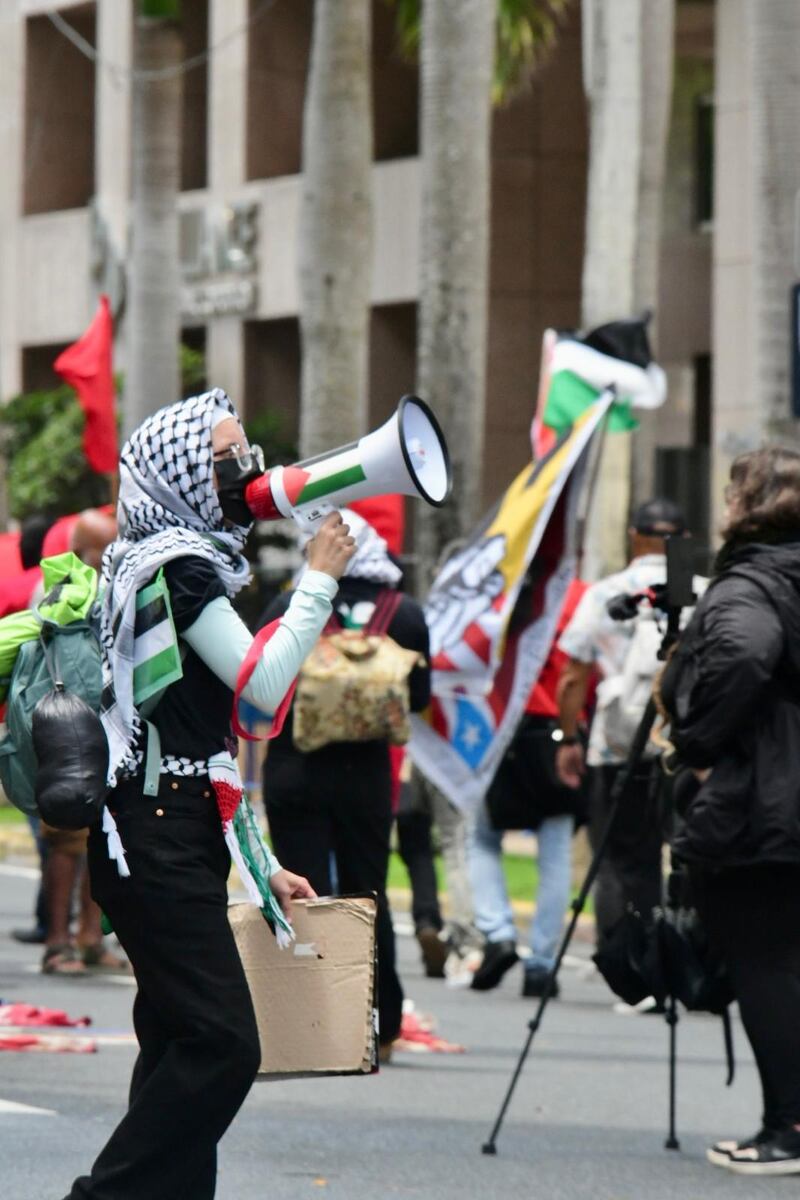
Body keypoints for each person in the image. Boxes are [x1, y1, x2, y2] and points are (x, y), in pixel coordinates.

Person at [62, 390, 355, 1200]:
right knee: (223, 1045)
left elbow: (201, 752)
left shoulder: (163, 563)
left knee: (175, 1042)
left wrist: (261, 868)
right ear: (182, 472)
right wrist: (318, 581)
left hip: (162, 832)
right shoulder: (178, 568)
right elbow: (259, 683)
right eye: (225, 457)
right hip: (152, 839)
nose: (244, 471)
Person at [662, 448, 800, 1176]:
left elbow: (745, 653)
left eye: (729, 492)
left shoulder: (751, 581)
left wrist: (699, 739)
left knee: (765, 966)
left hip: (765, 804)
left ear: (749, 505)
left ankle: (788, 1126)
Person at [261, 507, 430, 1059]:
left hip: (296, 771)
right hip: (367, 778)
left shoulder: (292, 605)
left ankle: (309, 1024)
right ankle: (381, 1023)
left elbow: (262, 682)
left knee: (302, 898)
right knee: (367, 895)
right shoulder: (404, 614)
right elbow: (420, 699)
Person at [555, 499, 686, 956]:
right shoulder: (705, 592)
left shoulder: (605, 593)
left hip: (617, 748)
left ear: (635, 535)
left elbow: (573, 675)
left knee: (618, 856)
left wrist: (568, 738)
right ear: (683, 542)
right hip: (686, 747)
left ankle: (630, 961)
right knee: (687, 853)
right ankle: (689, 956)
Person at [468, 579, 589, 996]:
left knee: (482, 837)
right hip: (559, 728)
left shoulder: (501, 588)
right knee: (555, 851)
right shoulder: (579, 595)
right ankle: (541, 965)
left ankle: (498, 932)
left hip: (504, 729)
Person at [41, 508, 125, 976]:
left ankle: (91, 937)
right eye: (102, 550)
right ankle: (58, 943)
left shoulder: (114, 589)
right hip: (63, 734)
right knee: (65, 842)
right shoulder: (56, 593)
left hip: (106, 733)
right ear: (79, 552)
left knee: (103, 834)